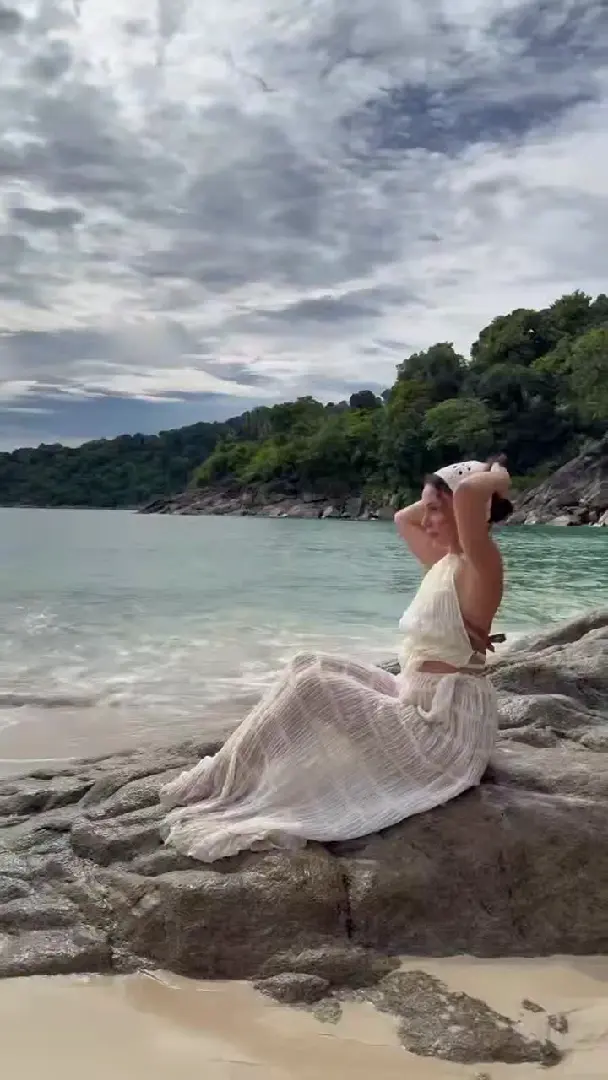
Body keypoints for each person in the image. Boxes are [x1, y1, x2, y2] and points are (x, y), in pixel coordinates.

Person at [160, 457, 513, 863]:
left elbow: (467, 493)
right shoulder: (443, 561)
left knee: (314, 688)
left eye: (435, 509)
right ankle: (226, 772)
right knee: (306, 663)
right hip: (414, 695)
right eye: (428, 509)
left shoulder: (479, 564)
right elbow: (403, 517)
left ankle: (224, 781)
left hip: (444, 729)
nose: (427, 519)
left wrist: (495, 476)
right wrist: (440, 492)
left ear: (468, 512)